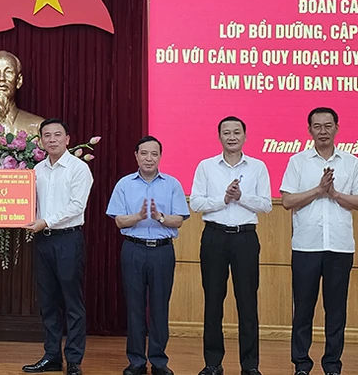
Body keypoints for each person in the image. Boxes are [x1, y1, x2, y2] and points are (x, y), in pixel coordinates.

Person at [280, 107, 358, 375]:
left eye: (328, 126)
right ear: (309, 130)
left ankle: (332, 366)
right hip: (306, 246)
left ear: (337, 128)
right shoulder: (298, 161)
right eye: (317, 126)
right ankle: (301, 365)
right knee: (303, 310)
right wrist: (318, 190)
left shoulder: (351, 162)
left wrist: (335, 194)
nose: (323, 131)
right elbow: (287, 201)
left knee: (336, 311)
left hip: (340, 246)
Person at [190, 116, 271, 375]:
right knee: (213, 302)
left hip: (245, 238)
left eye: (237, 132)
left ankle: (250, 366)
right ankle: (213, 363)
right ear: (219, 137)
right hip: (214, 237)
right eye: (227, 132)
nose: (232, 136)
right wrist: (224, 199)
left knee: (247, 303)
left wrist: (241, 196)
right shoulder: (206, 166)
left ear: (245, 136)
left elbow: (266, 205)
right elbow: (196, 203)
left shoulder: (258, 167)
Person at [106, 136, 189, 375]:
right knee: (135, 307)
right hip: (133, 249)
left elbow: (179, 220)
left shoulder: (172, 184)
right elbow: (119, 221)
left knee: (160, 306)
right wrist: (139, 217)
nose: (149, 158)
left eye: (154, 154)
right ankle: (136, 361)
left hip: (162, 251)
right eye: (144, 153)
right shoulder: (124, 184)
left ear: (160, 156)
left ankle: (159, 361)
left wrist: (159, 217)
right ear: (136, 156)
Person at [21, 118, 93, 375]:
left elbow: (77, 206)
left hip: (68, 240)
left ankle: (73, 359)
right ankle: (51, 356)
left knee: (72, 302)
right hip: (43, 241)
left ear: (67, 139)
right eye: (47, 135)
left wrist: (46, 221)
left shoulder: (79, 168)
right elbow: (26, 204)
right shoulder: (37, 170)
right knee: (48, 302)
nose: (52, 139)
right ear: (41, 140)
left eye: (57, 135)